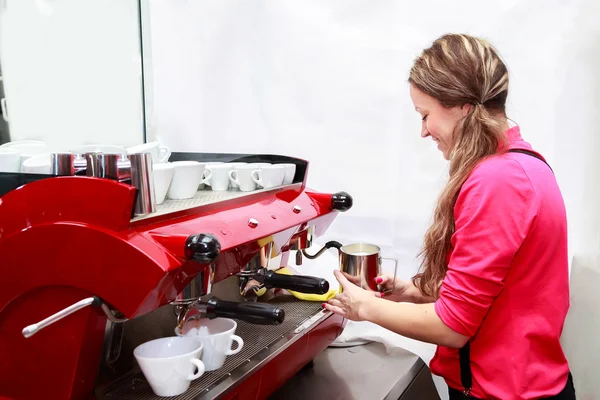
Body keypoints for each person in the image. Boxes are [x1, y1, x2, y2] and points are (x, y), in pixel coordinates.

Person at [323, 33, 575, 400]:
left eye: (425, 115)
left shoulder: (498, 179)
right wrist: (412, 291)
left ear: (461, 105)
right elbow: (498, 292)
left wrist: (365, 307)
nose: (423, 130)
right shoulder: (524, 165)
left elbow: (453, 327)